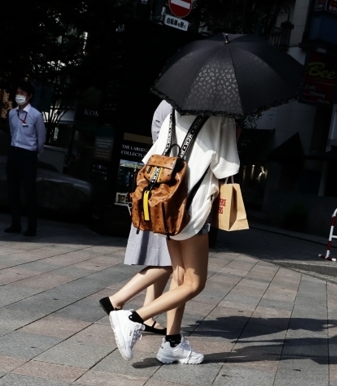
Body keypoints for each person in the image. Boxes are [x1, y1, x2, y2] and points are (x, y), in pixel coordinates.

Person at [107, 109, 240, 364]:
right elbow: (226, 167)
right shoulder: (223, 118)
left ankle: (173, 342)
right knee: (194, 284)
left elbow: (152, 156)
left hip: (166, 206)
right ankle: (133, 318)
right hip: (194, 208)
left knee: (179, 277)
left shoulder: (174, 114)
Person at [99, 100, 175, 335]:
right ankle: (117, 300)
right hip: (170, 188)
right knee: (175, 261)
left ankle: (148, 314)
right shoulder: (180, 107)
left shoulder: (166, 104)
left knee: (165, 258)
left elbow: (157, 142)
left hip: (160, 184)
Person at [4, 81, 46, 237]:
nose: (19, 96)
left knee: (29, 192)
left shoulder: (36, 115)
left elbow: (41, 138)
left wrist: (35, 154)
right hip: (14, 152)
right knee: (13, 190)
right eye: (17, 92)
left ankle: (32, 227)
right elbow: (12, 131)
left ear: (29, 96)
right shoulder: (12, 113)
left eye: (22, 93)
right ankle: (15, 223)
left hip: (28, 153)